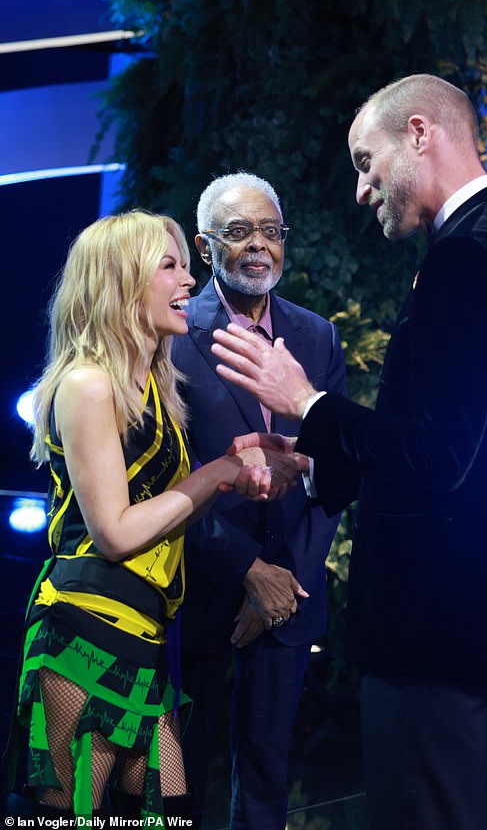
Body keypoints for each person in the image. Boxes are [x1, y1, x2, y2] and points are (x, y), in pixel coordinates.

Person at [210, 75, 487, 830]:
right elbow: (460, 444)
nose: (361, 189)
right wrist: (312, 458)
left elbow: (439, 455)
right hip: (466, 625)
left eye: (366, 162)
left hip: (434, 630)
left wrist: (304, 401)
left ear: (418, 133)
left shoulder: (469, 259)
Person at [5, 210, 303, 822]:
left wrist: (236, 466)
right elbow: (114, 533)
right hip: (82, 632)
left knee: (167, 812)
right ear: (119, 281)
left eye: (185, 269)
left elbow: (165, 511)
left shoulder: (155, 388)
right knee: (64, 815)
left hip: (144, 634)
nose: (187, 283)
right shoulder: (87, 383)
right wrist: (216, 476)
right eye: (169, 267)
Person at [170, 172, 347, 829]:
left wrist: (285, 585)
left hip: (287, 600)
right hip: (200, 584)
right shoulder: (169, 331)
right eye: (239, 231)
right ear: (205, 245)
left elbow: (336, 468)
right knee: (176, 776)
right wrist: (248, 570)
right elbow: (165, 476)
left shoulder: (318, 336)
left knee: (268, 779)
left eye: (271, 232)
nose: (259, 247)